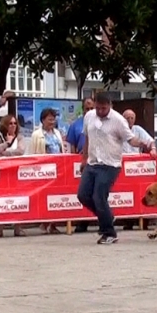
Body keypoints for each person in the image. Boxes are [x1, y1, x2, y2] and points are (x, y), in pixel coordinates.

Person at [79, 92, 156, 244]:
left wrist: (144, 144)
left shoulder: (119, 120)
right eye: (98, 108)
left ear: (110, 106)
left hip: (110, 164)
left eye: (104, 108)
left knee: (99, 196)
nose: (101, 111)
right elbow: (87, 137)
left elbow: (131, 139)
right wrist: (84, 158)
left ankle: (109, 233)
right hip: (93, 161)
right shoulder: (89, 117)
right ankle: (107, 217)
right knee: (82, 195)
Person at [27, 108, 65, 234]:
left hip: (58, 170)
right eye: (49, 119)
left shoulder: (57, 133)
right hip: (44, 171)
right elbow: (32, 152)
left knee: (56, 197)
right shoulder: (36, 135)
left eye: (53, 119)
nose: (52, 122)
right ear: (43, 120)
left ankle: (53, 224)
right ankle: (44, 222)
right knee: (44, 197)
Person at [0, 115, 26, 238]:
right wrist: (7, 144)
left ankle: (18, 227)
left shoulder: (19, 137)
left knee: (17, 199)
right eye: (10, 123)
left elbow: (20, 151)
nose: (13, 126)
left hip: (15, 174)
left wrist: (4, 153)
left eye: (15, 123)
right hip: (1, 175)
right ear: (5, 125)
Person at [66, 97, 95, 233]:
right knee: (82, 194)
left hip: (97, 161)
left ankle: (102, 220)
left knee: (97, 194)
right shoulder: (75, 125)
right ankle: (82, 222)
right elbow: (72, 146)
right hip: (82, 163)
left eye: (91, 108)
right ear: (82, 109)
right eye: (87, 108)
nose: (89, 111)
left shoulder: (99, 123)